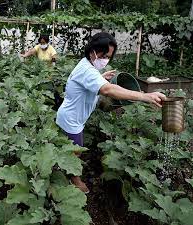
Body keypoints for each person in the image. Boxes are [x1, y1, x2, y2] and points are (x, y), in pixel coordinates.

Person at [56, 32, 166, 193]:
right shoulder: (87, 71)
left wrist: (100, 76)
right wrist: (145, 96)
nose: (106, 60)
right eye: (104, 55)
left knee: (70, 148)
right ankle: (73, 179)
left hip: (72, 116)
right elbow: (108, 90)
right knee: (75, 152)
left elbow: (91, 80)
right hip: (71, 120)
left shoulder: (87, 65)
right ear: (93, 51)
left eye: (109, 57)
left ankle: (62, 169)